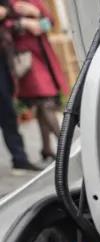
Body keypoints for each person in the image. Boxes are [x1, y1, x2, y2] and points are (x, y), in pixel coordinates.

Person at [10, 0, 66, 164]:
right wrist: (23, 23)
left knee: (42, 104)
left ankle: (46, 149)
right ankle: (66, 145)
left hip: (43, 56)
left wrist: (37, 14)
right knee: (45, 101)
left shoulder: (36, 2)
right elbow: (5, 26)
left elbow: (50, 24)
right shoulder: (8, 3)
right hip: (27, 58)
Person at [0, 3, 39, 172]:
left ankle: (20, 158)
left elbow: (9, 12)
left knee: (7, 112)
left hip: (3, 62)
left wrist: (31, 15)